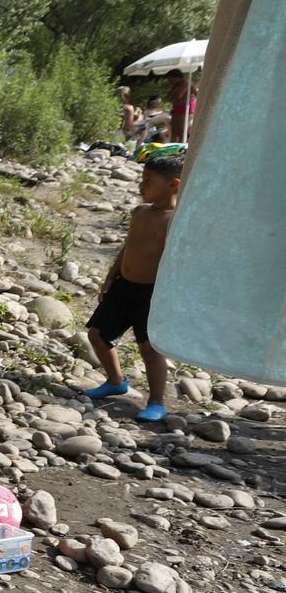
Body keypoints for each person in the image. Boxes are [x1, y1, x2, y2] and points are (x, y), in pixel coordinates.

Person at [85, 152, 183, 422]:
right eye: (142, 178)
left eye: (149, 180)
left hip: (151, 294)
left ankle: (157, 402)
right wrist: (110, 275)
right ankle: (116, 381)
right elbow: (128, 248)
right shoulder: (140, 212)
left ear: (174, 184)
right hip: (124, 285)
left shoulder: (175, 220)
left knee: (150, 350)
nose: (142, 185)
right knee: (97, 334)